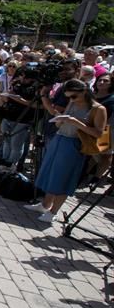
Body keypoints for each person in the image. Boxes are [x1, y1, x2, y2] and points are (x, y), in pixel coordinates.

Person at [25, 79, 107, 223]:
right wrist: (60, 120)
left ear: (84, 91)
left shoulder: (98, 109)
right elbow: (61, 122)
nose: (71, 99)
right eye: (69, 96)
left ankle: (53, 211)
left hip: (75, 144)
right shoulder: (72, 102)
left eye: (74, 96)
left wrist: (76, 123)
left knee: (63, 178)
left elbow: (99, 134)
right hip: (60, 138)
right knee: (50, 172)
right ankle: (45, 204)